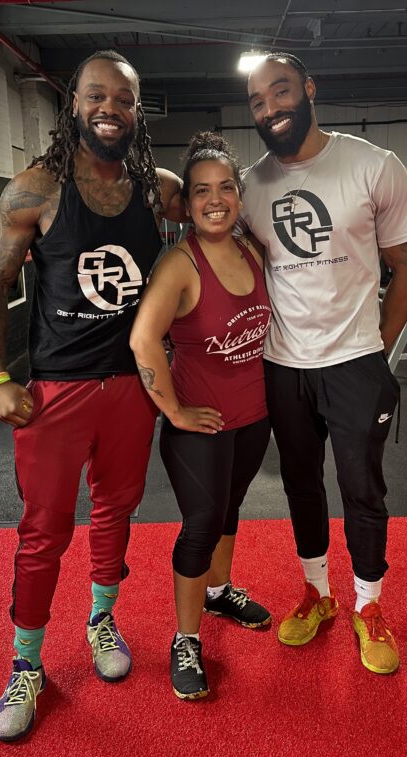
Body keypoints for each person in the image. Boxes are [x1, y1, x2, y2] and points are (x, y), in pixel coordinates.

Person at [0, 50, 186, 742]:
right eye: (97, 97)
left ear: (137, 110)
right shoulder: (35, 189)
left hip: (130, 388)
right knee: (43, 534)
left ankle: (101, 621)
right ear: (74, 105)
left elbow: (225, 203)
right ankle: (26, 665)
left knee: (116, 514)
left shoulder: (158, 190)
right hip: (55, 393)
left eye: (123, 100)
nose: (110, 110)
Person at [240, 53, 407, 674]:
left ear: (309, 89)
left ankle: (368, 606)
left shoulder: (373, 166)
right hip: (282, 363)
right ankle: (317, 594)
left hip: (353, 362)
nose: (271, 109)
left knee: (361, 486)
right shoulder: (248, 185)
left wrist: (376, 344)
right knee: (300, 482)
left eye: (281, 92)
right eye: (258, 102)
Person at [130, 133, 272, 700]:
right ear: (186, 204)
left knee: (230, 509)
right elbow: (144, 342)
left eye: (226, 188)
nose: (216, 200)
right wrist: (175, 411)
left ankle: (220, 591)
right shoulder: (179, 265)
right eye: (201, 192)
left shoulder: (252, 251)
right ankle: (185, 638)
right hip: (199, 427)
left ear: (239, 195)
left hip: (252, 417)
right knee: (201, 522)